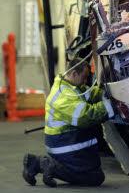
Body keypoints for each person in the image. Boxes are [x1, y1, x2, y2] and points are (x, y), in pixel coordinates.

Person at [23, 57, 114, 187]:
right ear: (74, 74)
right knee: (94, 177)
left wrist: (103, 94)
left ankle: (35, 163)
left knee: (96, 173)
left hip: (67, 140)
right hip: (64, 144)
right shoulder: (64, 95)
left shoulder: (70, 85)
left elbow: (88, 93)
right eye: (84, 77)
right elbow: (85, 116)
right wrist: (112, 106)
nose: (85, 81)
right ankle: (46, 164)